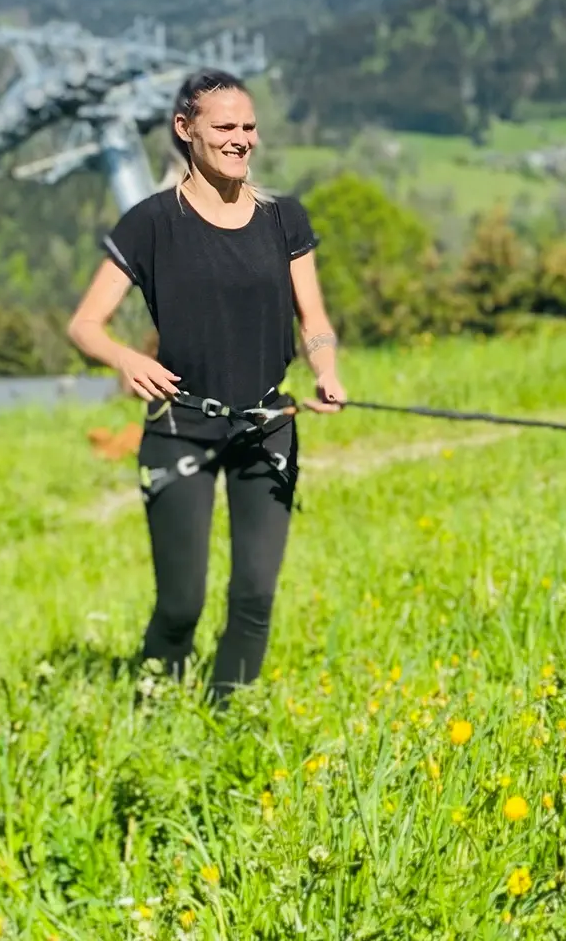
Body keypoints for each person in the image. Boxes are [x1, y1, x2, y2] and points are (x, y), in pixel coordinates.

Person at [67, 68, 346, 705]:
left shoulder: (284, 219)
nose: (241, 139)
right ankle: (153, 716)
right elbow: (84, 324)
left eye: (249, 127)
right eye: (225, 127)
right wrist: (121, 360)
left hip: (268, 424)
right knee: (181, 602)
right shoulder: (151, 224)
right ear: (184, 130)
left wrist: (325, 370)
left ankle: (229, 720)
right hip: (180, 426)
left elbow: (317, 321)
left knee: (254, 593)